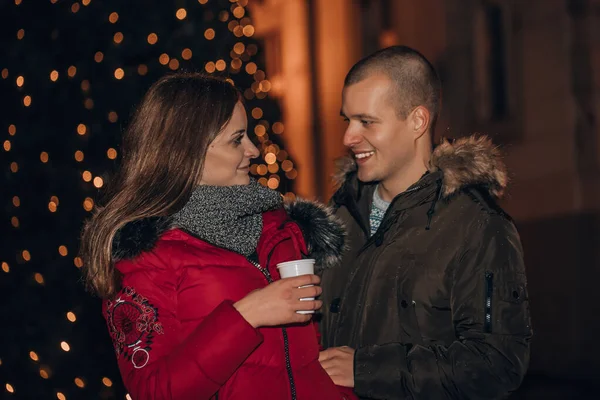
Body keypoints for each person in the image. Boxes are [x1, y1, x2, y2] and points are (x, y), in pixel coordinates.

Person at [80, 73, 354, 400]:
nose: (253, 150)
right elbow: (154, 392)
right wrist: (246, 315)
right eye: (237, 139)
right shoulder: (144, 254)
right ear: (187, 150)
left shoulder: (280, 228)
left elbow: (311, 357)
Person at [318, 46, 532, 399]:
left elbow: (497, 362)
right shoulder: (340, 215)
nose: (348, 138)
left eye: (366, 121)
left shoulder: (478, 226)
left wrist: (366, 370)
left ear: (417, 121)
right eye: (348, 121)